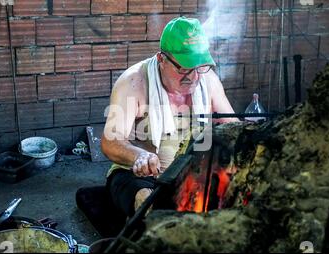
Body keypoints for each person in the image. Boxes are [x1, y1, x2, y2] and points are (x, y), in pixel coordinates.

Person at [101, 17, 239, 218]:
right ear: (161, 59)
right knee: (145, 201)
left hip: (195, 171)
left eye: (198, 66)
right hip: (145, 176)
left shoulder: (208, 80)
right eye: (183, 68)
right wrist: (139, 156)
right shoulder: (133, 82)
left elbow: (234, 128)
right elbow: (110, 142)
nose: (192, 77)